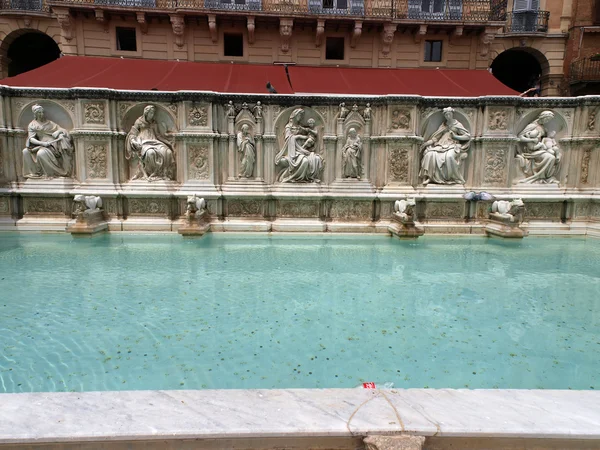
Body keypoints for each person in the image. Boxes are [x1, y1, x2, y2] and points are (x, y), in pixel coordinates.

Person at [419, 107, 471, 185]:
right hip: (440, 145)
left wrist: (456, 137)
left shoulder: (457, 124)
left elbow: (467, 136)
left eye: (449, 114)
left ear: (452, 114)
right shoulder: (443, 125)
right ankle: (430, 177)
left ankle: (454, 178)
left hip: (453, 145)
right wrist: (425, 144)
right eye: (446, 115)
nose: (448, 116)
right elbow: (435, 138)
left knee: (449, 157)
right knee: (429, 154)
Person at [22, 104, 74, 179]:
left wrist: (58, 132)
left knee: (41, 153)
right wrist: (42, 143)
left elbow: (62, 130)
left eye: (42, 112)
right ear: (35, 114)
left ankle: (52, 174)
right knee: (25, 151)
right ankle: (35, 173)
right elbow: (31, 139)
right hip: (40, 144)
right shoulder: (32, 125)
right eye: (39, 113)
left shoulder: (50, 123)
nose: (41, 114)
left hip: (52, 145)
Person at [125, 105, 175, 181]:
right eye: (151, 113)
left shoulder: (154, 123)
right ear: (146, 113)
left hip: (155, 141)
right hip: (144, 142)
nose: (152, 115)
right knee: (150, 153)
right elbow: (132, 133)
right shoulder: (139, 122)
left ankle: (163, 174)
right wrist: (133, 141)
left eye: (153, 113)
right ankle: (152, 174)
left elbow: (158, 136)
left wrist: (168, 143)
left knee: (168, 152)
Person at [274, 108, 323, 183]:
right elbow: (289, 140)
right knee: (305, 161)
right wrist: (300, 137)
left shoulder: (299, 127)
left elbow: (307, 131)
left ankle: (310, 178)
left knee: (316, 159)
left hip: (302, 150)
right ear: (295, 115)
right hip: (292, 151)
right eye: (300, 115)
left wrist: (311, 132)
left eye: (302, 116)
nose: (301, 118)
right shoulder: (288, 127)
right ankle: (293, 177)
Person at [516, 111, 560, 184]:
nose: (547, 121)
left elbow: (544, 139)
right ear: (542, 117)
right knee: (550, 158)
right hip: (532, 149)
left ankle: (546, 177)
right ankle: (539, 177)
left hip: (540, 148)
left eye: (548, 120)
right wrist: (532, 140)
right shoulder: (532, 126)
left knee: (555, 155)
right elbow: (520, 137)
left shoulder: (543, 127)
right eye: (546, 119)